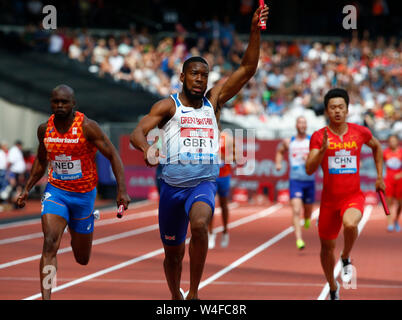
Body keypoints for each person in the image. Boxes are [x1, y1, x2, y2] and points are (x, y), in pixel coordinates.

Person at [129, 5, 269, 300]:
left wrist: (254, 32)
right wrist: (147, 148)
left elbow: (246, 69)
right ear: (182, 76)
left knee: (201, 225)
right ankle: (175, 295)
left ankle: (193, 292)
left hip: (204, 182)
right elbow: (137, 132)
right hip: (171, 188)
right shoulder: (168, 106)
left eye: (204, 76)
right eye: (194, 74)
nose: (200, 80)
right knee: (172, 254)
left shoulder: (213, 102)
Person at [16, 84, 130, 300]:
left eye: (64, 102)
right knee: (50, 242)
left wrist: (121, 190)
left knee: (82, 258)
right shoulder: (44, 129)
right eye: (55, 101)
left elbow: (114, 155)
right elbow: (41, 160)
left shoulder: (87, 127)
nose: (59, 106)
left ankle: (80, 224)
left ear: (73, 104)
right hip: (56, 192)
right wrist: (27, 188)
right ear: (51, 102)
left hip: (83, 196)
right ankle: (46, 297)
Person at [306, 88, 384, 300]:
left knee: (350, 224)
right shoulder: (318, 137)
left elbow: (377, 148)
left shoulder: (360, 132)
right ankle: (332, 286)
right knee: (325, 249)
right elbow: (309, 169)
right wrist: (321, 151)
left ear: (348, 110)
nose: (337, 111)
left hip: (352, 197)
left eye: (341, 107)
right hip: (329, 202)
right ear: (326, 111)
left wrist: (379, 177)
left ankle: (346, 255)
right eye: (333, 108)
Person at [275, 116, 315, 250]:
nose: (302, 125)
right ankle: (299, 239)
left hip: (309, 180)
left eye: (304, 123)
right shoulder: (289, 141)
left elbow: (320, 155)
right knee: (296, 210)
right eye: (300, 123)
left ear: (307, 125)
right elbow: (280, 151)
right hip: (295, 180)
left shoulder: (312, 141)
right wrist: (278, 163)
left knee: (308, 209)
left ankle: (308, 218)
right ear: (296, 125)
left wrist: (310, 157)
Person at [208, 130, 235, 249]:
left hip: (224, 176)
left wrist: (224, 156)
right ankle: (210, 234)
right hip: (210, 176)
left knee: (224, 205)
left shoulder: (227, 138)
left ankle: (225, 231)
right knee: (209, 205)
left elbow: (237, 156)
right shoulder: (206, 136)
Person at [383, 134, 402, 232]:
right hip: (389, 180)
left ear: (397, 141)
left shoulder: (401, 152)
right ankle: (390, 223)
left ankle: (396, 220)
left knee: (400, 204)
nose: (392, 143)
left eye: (394, 141)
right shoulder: (385, 152)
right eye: (390, 141)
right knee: (388, 202)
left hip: (400, 180)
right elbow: (379, 164)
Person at [7, 140, 26, 207]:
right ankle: (12, 202)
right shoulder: (14, 150)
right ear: (18, 145)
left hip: (18, 172)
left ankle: (18, 202)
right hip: (14, 172)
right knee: (13, 186)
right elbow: (10, 161)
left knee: (18, 187)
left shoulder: (17, 151)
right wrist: (8, 171)